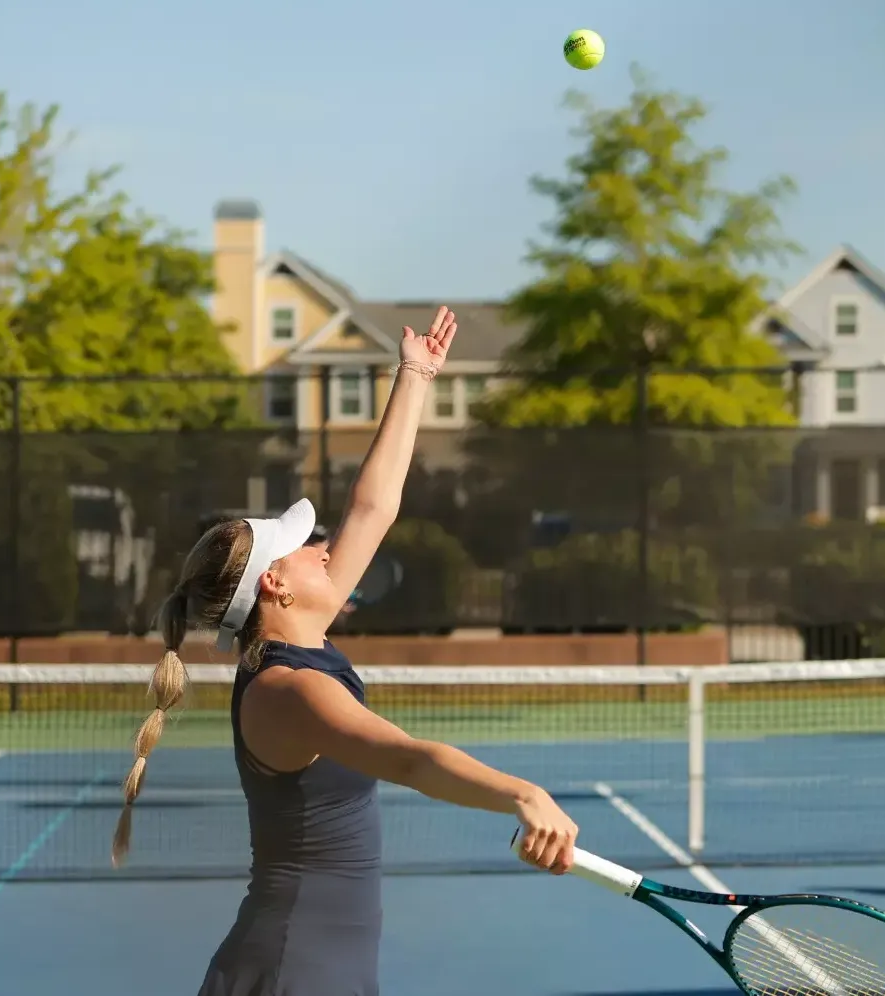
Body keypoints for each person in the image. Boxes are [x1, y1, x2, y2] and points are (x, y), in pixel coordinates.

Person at [112, 306, 580, 995]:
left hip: (314, 961)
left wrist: (415, 375)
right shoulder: (288, 690)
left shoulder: (301, 646)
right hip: (294, 968)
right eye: (303, 548)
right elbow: (408, 758)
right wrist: (522, 793)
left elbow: (372, 507)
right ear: (275, 583)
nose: (323, 548)